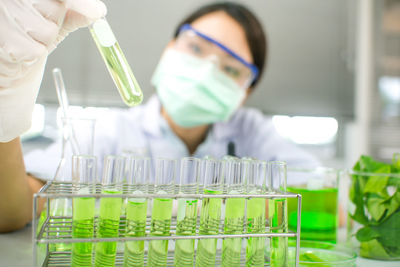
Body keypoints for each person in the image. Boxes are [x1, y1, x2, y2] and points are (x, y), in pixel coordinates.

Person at [0, 1, 319, 232]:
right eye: (196, 49)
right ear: (170, 47)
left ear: (245, 91)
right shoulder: (111, 132)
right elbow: (12, 210)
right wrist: (5, 110)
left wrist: (199, 211)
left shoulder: (252, 133)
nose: (207, 71)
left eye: (230, 68)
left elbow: (325, 200)